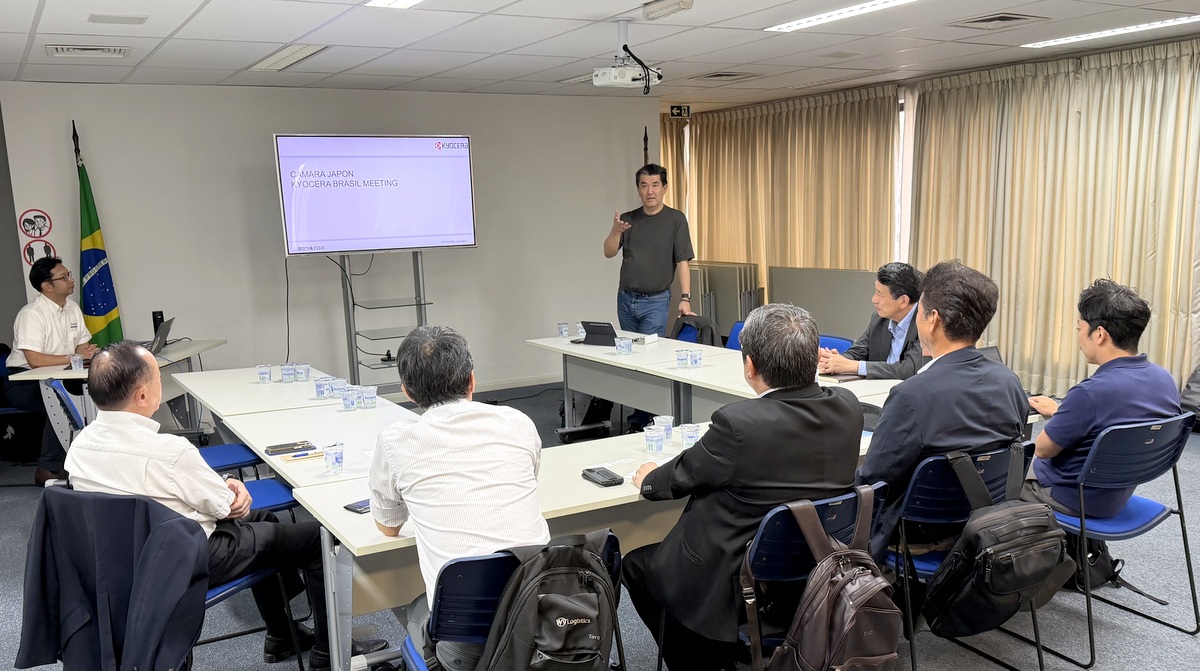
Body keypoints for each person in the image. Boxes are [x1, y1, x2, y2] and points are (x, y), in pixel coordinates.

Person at [63, 341, 385, 669]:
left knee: (265, 519)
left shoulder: (80, 446)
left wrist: (222, 494)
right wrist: (232, 489)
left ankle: (281, 635)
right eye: (159, 378)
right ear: (143, 395)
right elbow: (227, 508)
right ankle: (330, 652)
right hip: (187, 557)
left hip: (123, 560)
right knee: (319, 538)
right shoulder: (169, 451)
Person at [623, 303, 863, 671]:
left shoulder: (739, 424)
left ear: (750, 366)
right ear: (814, 360)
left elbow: (682, 476)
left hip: (741, 572)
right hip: (819, 560)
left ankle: (700, 661)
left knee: (637, 565)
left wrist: (650, 477)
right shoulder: (848, 406)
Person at [369, 325, 550, 670]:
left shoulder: (396, 440)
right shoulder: (519, 422)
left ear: (407, 392)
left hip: (467, 644)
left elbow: (388, 527)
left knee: (409, 599)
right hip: (543, 618)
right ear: (471, 381)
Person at [857, 260, 1027, 561]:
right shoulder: (1009, 381)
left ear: (933, 319)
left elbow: (874, 479)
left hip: (916, 534)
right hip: (986, 523)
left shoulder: (912, 395)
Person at [1023, 279, 1181, 517]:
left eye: (1079, 328)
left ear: (1099, 334)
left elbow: (1043, 450)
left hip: (1071, 498)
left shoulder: (1090, 394)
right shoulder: (1164, 380)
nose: (1078, 336)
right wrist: (1060, 413)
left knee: (993, 477)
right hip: (1117, 495)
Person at [3, 257, 98, 485]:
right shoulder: (31, 314)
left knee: (96, 391)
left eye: (69, 274)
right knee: (62, 399)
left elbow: (79, 345)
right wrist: (75, 356)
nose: (71, 280)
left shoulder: (72, 308)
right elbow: (34, 360)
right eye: (64, 277)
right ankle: (47, 468)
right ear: (47, 285)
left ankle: (86, 460)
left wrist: (85, 352)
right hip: (23, 381)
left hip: (59, 376)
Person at [604, 163, 696, 336]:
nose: (649, 191)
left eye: (655, 185)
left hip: (656, 301)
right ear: (638, 189)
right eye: (644, 186)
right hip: (625, 299)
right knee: (628, 352)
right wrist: (616, 231)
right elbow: (608, 252)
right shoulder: (628, 219)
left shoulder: (676, 220)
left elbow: (682, 261)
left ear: (664, 188)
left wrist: (685, 298)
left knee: (648, 353)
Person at [818, 262, 928, 379]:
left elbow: (908, 369)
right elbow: (857, 352)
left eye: (880, 294)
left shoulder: (925, 323)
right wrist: (833, 360)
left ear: (903, 301)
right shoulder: (879, 319)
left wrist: (852, 366)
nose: (874, 299)